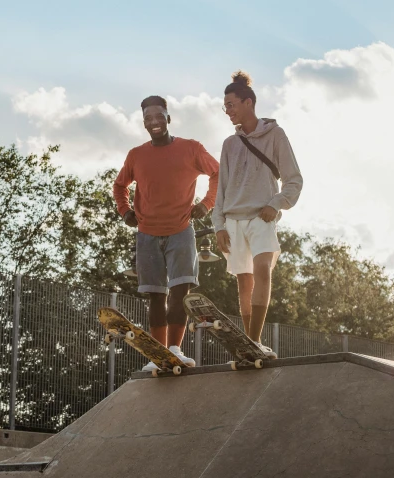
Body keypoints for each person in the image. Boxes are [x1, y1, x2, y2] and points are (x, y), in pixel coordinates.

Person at [114, 95, 219, 370]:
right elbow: (119, 186)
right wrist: (125, 212)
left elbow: (218, 173)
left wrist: (207, 204)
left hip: (181, 231)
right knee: (156, 295)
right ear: (144, 124)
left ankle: (175, 349)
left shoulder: (191, 148)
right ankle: (158, 355)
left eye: (159, 116)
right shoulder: (136, 155)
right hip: (147, 234)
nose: (154, 122)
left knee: (179, 290)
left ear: (168, 118)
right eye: (148, 118)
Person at [213, 72, 303, 357]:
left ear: (248, 102)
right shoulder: (229, 144)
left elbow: (294, 179)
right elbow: (222, 190)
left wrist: (276, 203)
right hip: (233, 220)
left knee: (263, 270)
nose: (227, 111)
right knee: (244, 284)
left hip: (262, 218)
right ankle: (250, 348)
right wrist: (218, 226)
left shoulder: (275, 134)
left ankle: (253, 342)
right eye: (225, 106)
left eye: (231, 104)